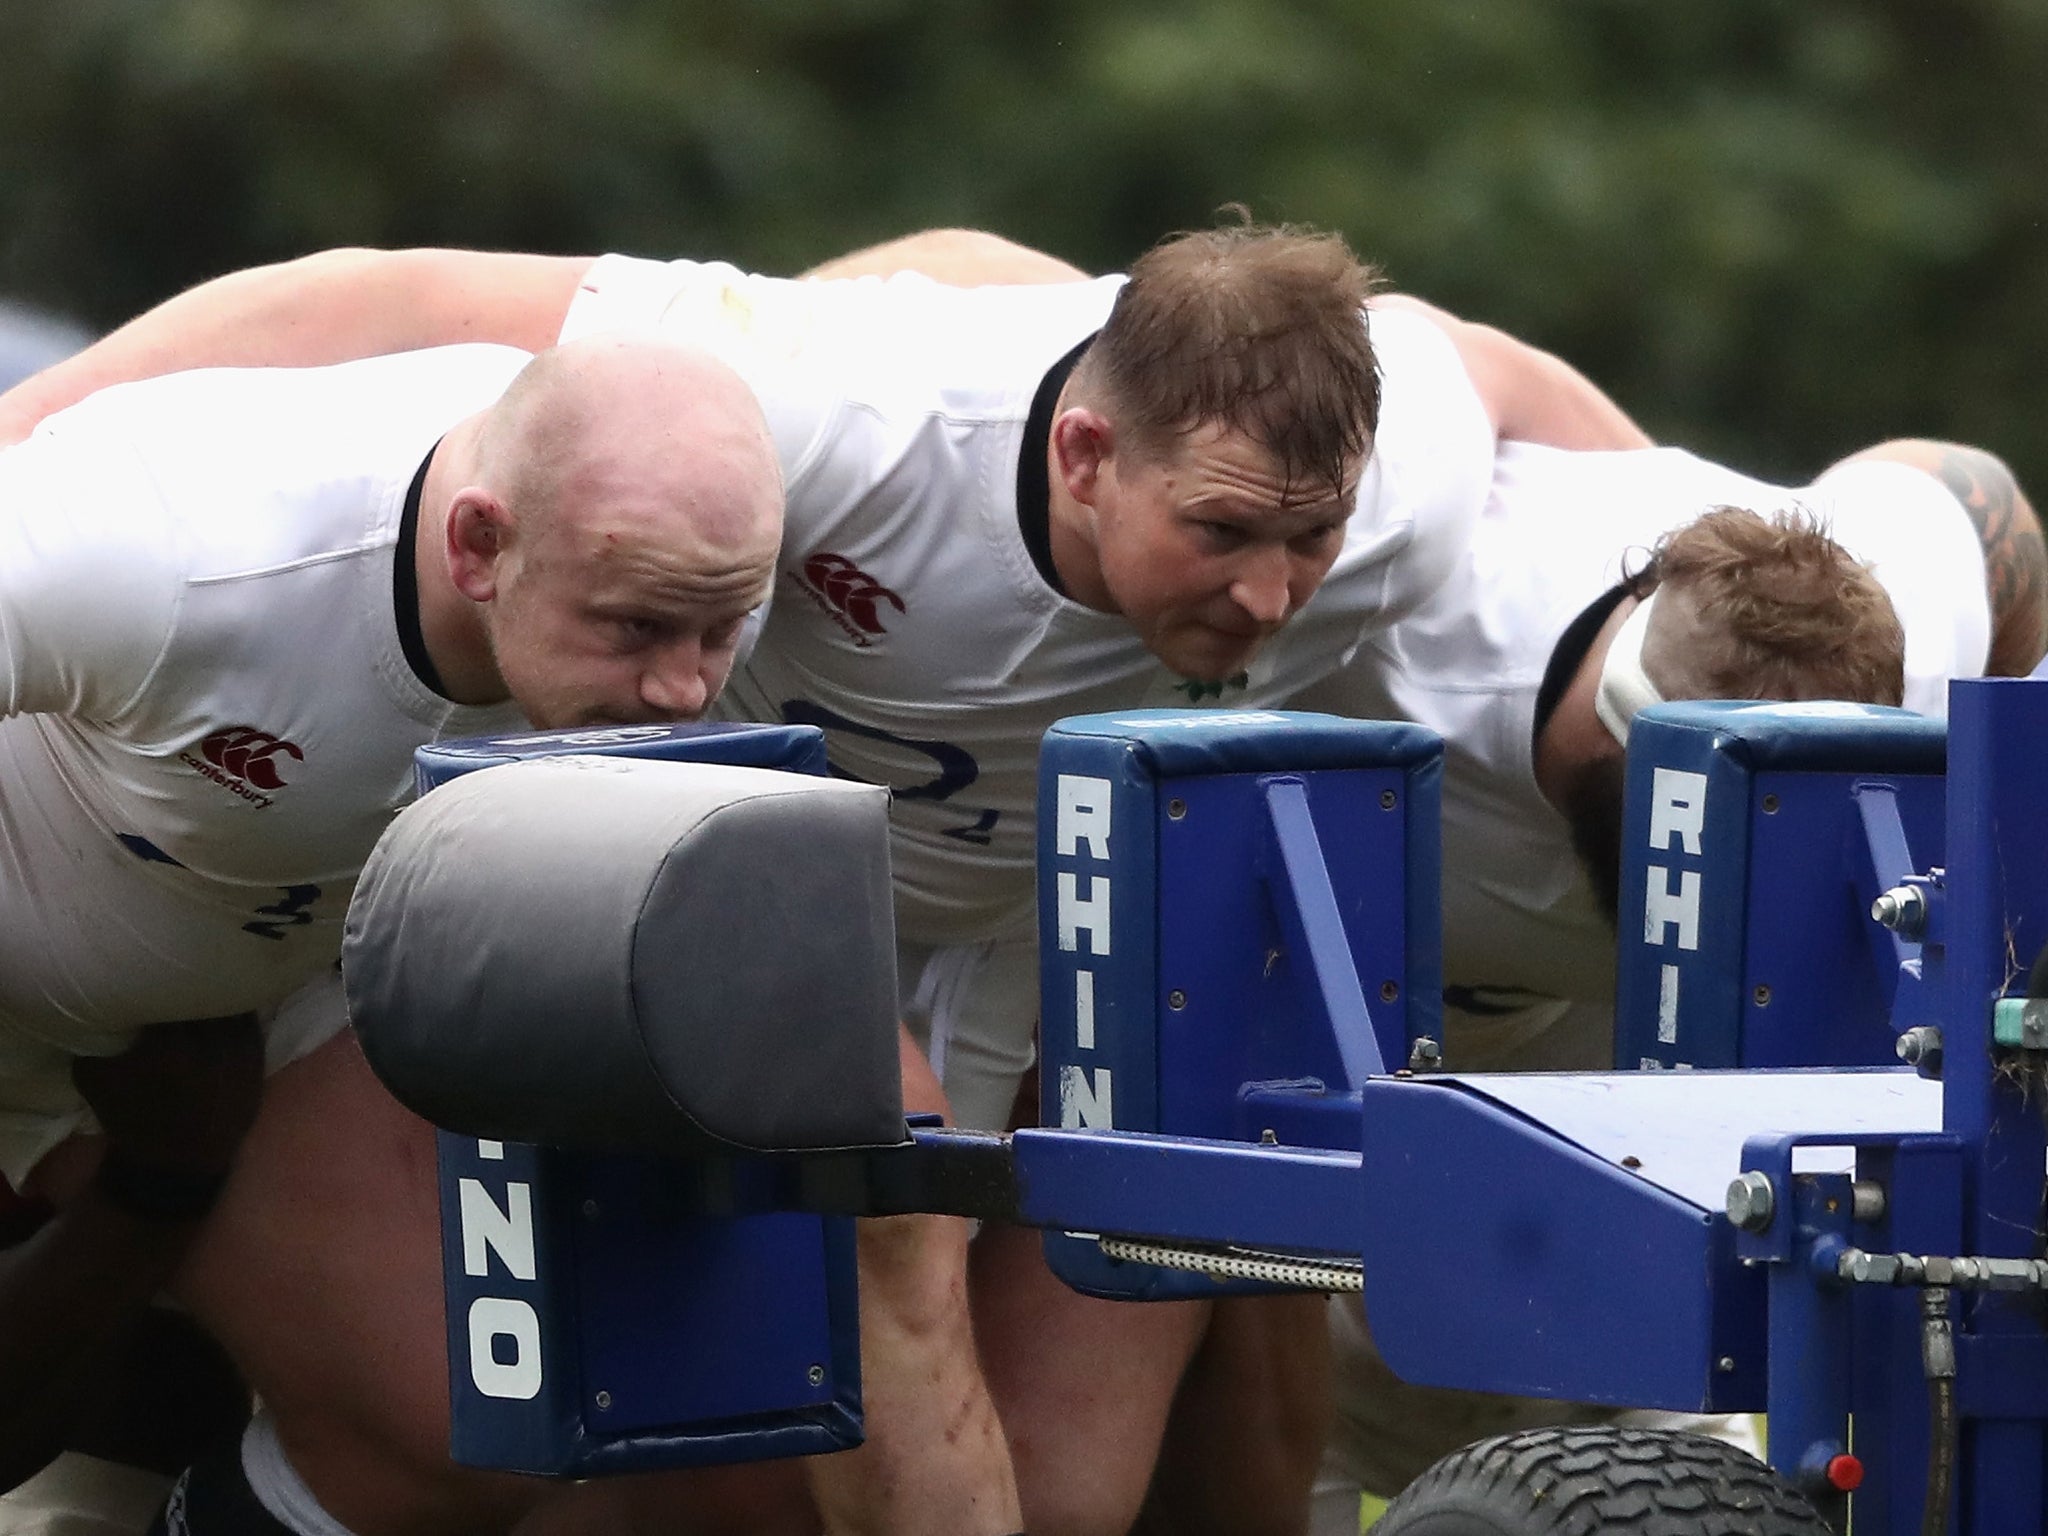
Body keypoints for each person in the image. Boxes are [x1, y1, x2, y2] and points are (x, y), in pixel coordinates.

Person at [0, 222, 1651, 1536]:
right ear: (1080, 452)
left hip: (997, 935)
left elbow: (1504, 391)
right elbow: (383, 292)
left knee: (1041, 1480)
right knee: (699, 1367)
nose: (1275, 593)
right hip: (740, 886)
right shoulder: (824, 405)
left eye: (1313, 537)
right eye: (1225, 534)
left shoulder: (1394, 497)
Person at [0, 334, 786, 1531]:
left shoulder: (685, 525)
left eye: (719, 630)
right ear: (478, 543)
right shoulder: (175, 544)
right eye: (636, 630)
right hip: (31, 978)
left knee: (477, 1417)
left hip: (266, 998)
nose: (686, 692)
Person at [1288, 433, 2040, 1526]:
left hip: (1666, 1061)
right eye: (1731, 831)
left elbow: (1972, 490)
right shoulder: (1394, 634)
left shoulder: (1914, 642)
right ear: (1622, 742)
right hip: (1395, 1033)